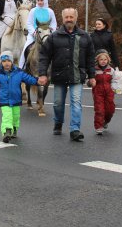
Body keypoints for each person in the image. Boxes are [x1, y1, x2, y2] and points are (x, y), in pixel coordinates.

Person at [38, 8, 96, 142]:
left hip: (77, 76)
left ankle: (74, 129)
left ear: (76, 18)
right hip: (59, 75)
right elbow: (44, 56)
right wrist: (42, 74)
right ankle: (58, 122)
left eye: (71, 17)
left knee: (76, 103)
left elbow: (90, 58)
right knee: (58, 103)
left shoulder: (85, 36)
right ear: (62, 19)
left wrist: (92, 76)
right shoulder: (54, 36)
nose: (69, 19)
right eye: (66, 17)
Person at [0, 51, 38, 143]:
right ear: (1, 63)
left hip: (16, 100)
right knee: (7, 116)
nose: (6, 63)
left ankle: (14, 129)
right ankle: (6, 132)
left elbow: (29, 79)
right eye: (4, 61)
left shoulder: (19, 72)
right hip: (4, 100)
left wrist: (38, 81)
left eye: (8, 61)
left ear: (12, 62)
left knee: (15, 116)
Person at [18, 0, 57, 70]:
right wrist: (34, 33)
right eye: (38, 0)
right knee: (25, 49)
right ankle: (22, 67)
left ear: (45, 0)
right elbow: (29, 23)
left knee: (56, 49)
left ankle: (56, 68)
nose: (39, 2)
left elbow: (54, 23)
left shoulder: (50, 11)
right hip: (34, 35)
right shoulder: (33, 10)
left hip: (46, 34)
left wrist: (51, 32)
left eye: (41, 0)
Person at [91, 49, 116, 135]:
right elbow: (90, 80)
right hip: (98, 92)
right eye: (101, 59)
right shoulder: (94, 70)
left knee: (110, 110)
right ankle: (98, 126)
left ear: (108, 60)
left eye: (105, 59)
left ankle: (105, 121)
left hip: (109, 92)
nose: (103, 61)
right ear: (97, 60)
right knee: (99, 109)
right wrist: (91, 82)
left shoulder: (111, 70)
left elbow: (115, 80)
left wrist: (114, 88)